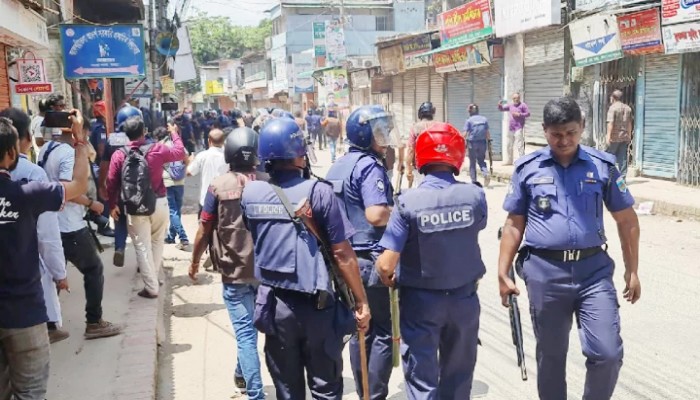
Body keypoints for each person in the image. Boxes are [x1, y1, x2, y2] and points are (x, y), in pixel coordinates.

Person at [498, 97, 641, 400]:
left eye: (571, 133)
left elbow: (627, 220)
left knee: (607, 353)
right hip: (545, 273)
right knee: (550, 357)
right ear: (545, 130)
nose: (564, 141)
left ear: (583, 128)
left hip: (594, 272)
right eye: (556, 134)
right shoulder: (528, 168)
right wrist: (503, 272)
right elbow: (513, 225)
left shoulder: (602, 166)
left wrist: (633, 270)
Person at [241, 117, 370, 399]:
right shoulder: (319, 192)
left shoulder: (250, 193)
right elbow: (343, 254)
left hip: (275, 307)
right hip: (317, 309)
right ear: (299, 155)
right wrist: (361, 302)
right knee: (326, 389)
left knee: (287, 391)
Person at [375, 122, 486, 399]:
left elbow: (387, 264)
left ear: (420, 157)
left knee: (422, 381)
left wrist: (385, 274)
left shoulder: (407, 202)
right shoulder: (475, 196)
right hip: (464, 300)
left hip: (421, 304)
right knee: (459, 378)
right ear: (458, 155)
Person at [0, 110, 89, 400]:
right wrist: (79, 141)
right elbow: (77, 186)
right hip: (24, 313)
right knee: (30, 393)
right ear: (13, 152)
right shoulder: (28, 193)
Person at [189, 127, 268, 399]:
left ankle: (256, 394)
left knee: (246, 333)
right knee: (256, 330)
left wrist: (195, 261)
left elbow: (204, 228)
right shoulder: (268, 182)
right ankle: (241, 373)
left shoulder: (217, 187)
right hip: (265, 272)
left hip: (233, 274)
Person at [326, 105, 394, 400]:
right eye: (380, 131)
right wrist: (403, 212)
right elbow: (377, 214)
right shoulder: (369, 166)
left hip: (344, 261)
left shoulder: (338, 165)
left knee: (359, 329)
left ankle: (365, 392)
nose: (386, 136)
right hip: (369, 261)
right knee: (382, 331)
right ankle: (374, 395)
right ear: (365, 135)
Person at [39, 106, 123, 340]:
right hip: (69, 225)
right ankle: (94, 322)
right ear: (77, 129)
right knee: (94, 269)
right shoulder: (68, 153)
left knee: (55, 274)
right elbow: (68, 189)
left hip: (51, 223)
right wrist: (90, 203)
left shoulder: (46, 149)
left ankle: (49, 325)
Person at [1, 108, 70, 344]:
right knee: (31, 375)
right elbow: (47, 236)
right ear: (23, 140)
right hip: (25, 296)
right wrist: (60, 273)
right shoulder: (32, 176)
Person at [106, 115, 186, 299]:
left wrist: (112, 205)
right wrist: (174, 133)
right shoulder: (157, 149)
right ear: (144, 132)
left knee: (142, 246)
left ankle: (151, 286)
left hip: (134, 206)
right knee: (157, 242)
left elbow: (111, 182)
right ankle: (153, 280)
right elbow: (180, 153)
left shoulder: (119, 154)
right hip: (159, 202)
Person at [98, 105, 141, 267]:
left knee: (119, 218)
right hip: (138, 188)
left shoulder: (113, 140)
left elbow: (104, 164)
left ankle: (120, 247)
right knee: (141, 224)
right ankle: (142, 260)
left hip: (117, 187)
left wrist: (102, 185)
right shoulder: (143, 138)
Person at [155, 125, 190, 250]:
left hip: (167, 182)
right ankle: (171, 236)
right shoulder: (177, 145)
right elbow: (186, 159)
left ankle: (183, 238)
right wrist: (181, 171)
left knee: (172, 211)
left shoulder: (159, 146)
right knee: (177, 211)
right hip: (180, 182)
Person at [187, 128, 228, 218]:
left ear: (209, 141)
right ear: (223, 141)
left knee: (204, 229)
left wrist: (190, 161)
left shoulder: (202, 156)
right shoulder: (227, 157)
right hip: (223, 200)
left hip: (205, 200)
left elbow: (189, 172)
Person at [406, 102, 438, 188]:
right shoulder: (438, 126)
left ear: (420, 113)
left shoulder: (415, 128)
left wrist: (408, 167)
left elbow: (410, 149)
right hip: (437, 167)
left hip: (421, 167)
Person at [605, 89, 633, 177]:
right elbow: (629, 123)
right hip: (624, 138)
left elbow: (611, 123)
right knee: (623, 161)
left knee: (609, 159)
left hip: (614, 138)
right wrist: (629, 135)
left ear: (613, 98)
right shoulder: (628, 108)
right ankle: (622, 184)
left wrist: (608, 136)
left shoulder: (612, 108)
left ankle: (610, 180)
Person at [498, 92, 531, 165]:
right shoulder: (510, 105)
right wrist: (499, 105)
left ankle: (522, 161)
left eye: (517, 98)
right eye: (514, 98)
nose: (516, 99)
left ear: (519, 98)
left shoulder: (523, 105)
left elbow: (528, 113)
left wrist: (519, 114)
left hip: (518, 128)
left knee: (520, 145)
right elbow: (502, 109)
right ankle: (509, 161)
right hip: (511, 128)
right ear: (512, 99)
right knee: (509, 145)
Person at [464, 103, 491, 187]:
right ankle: (486, 173)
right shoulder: (484, 119)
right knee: (481, 160)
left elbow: (465, 133)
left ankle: (474, 181)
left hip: (472, 143)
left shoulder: (469, 120)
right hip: (482, 142)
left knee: (472, 162)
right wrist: (489, 141)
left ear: (470, 111)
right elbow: (487, 133)